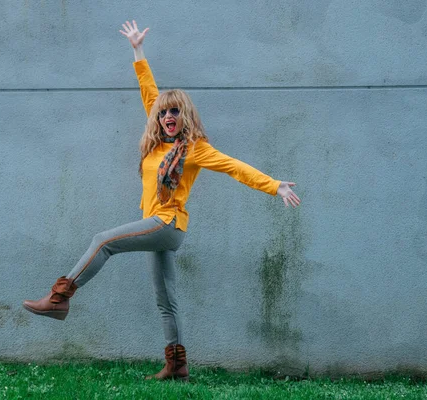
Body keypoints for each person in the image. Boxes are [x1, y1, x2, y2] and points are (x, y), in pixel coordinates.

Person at [23, 20, 301, 381]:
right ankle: (177, 366)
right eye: (165, 113)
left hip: (168, 224)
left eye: (175, 112)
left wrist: (274, 185)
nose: (169, 116)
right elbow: (148, 91)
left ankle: (59, 298)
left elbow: (235, 167)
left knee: (102, 241)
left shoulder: (195, 150)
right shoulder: (158, 145)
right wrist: (138, 50)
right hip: (159, 225)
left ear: (185, 117)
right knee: (166, 300)